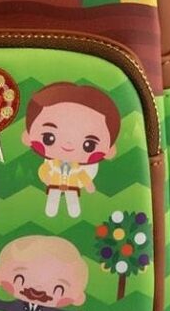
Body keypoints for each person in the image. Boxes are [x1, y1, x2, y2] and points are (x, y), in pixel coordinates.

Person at [21, 82, 121, 217]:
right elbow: (44, 170)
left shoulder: (77, 167)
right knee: (53, 198)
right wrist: (46, 178)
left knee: (72, 200)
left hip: (72, 186)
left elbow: (82, 175)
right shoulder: (52, 164)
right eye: (49, 138)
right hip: (54, 183)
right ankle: (51, 211)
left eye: (89, 145)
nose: (68, 145)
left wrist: (88, 184)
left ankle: (74, 212)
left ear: (109, 150)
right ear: (27, 136)